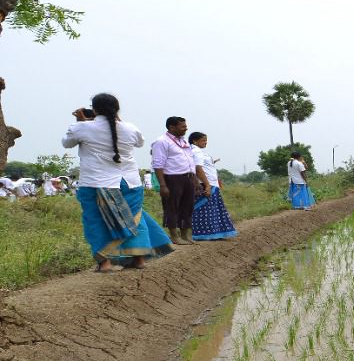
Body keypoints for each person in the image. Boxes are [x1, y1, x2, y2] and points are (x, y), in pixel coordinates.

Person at [62, 94, 174, 271]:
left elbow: (67, 143)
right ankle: (139, 259)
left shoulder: (81, 128)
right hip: (129, 182)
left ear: (95, 109)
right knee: (135, 218)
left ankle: (104, 262)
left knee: (95, 221)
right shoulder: (130, 128)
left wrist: (80, 121)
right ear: (117, 109)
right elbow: (140, 142)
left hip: (95, 182)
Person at [151, 115, 200, 243]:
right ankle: (174, 236)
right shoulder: (162, 141)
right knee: (172, 207)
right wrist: (163, 185)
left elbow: (191, 161)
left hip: (188, 177)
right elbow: (158, 164)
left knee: (187, 206)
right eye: (183, 126)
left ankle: (185, 235)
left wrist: (195, 179)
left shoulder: (183, 141)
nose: (186, 128)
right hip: (172, 178)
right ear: (172, 127)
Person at [188, 132, 237, 241]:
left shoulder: (197, 151)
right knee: (204, 210)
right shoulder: (196, 151)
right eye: (203, 140)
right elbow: (198, 168)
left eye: (206, 140)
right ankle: (204, 234)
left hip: (208, 183)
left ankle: (212, 232)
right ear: (195, 141)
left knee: (211, 210)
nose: (206, 143)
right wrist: (207, 185)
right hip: (205, 184)